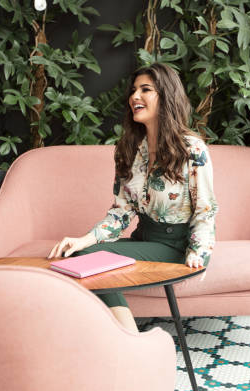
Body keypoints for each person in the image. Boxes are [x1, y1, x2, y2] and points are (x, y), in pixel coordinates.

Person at [48, 63, 218, 332]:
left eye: (146, 90)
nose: (135, 96)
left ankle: (131, 341)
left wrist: (198, 252)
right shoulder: (129, 148)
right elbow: (121, 212)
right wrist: (84, 238)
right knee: (80, 253)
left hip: (175, 246)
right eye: (134, 90)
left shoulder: (192, 149)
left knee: (86, 258)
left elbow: (205, 210)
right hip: (144, 239)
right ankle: (117, 338)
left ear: (166, 97)